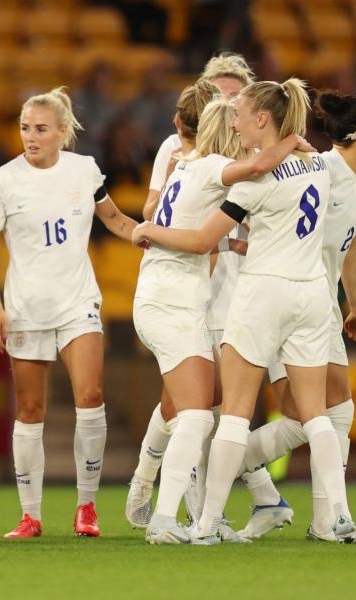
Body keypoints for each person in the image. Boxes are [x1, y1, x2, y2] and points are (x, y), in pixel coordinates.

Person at [132, 79, 356, 544]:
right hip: (312, 294)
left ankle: (205, 524)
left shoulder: (256, 177)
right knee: (316, 415)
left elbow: (203, 240)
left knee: (235, 414)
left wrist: (149, 231)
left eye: (240, 112)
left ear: (263, 118)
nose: (233, 121)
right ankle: (338, 519)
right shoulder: (317, 164)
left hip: (262, 293)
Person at [0, 87, 139, 539]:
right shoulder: (3, 180)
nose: (30, 136)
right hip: (27, 307)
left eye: (41, 129)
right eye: (25, 128)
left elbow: (114, 219)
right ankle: (30, 515)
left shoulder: (84, 170)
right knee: (29, 409)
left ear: (63, 133)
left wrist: (149, 235)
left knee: (91, 396)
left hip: (77, 302)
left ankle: (86, 507)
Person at [237, 91, 356, 543]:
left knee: (338, 409)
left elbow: (349, 245)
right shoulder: (317, 169)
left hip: (322, 304)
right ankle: (233, 458)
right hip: (289, 301)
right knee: (304, 414)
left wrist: (355, 304)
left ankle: (329, 520)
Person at [126, 51, 256, 529]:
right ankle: (190, 513)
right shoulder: (195, 159)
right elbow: (169, 216)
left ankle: (174, 501)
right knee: (197, 409)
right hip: (182, 285)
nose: (227, 106)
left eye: (235, 98)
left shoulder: (197, 160)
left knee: (202, 400)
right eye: (220, 99)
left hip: (203, 285)